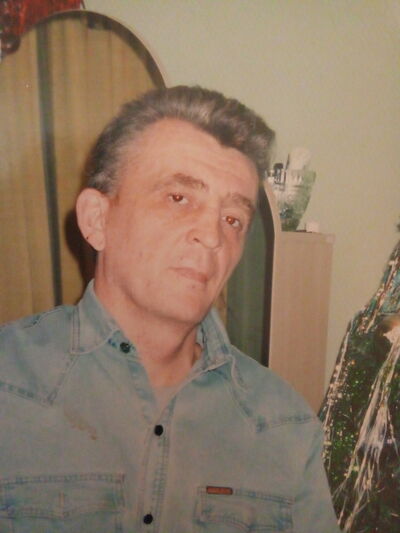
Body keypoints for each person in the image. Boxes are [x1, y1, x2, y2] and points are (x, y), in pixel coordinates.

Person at [0, 86, 340, 532]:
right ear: (97, 220)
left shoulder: (283, 426)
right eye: (178, 198)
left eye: (233, 219)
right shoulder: (10, 385)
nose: (213, 236)